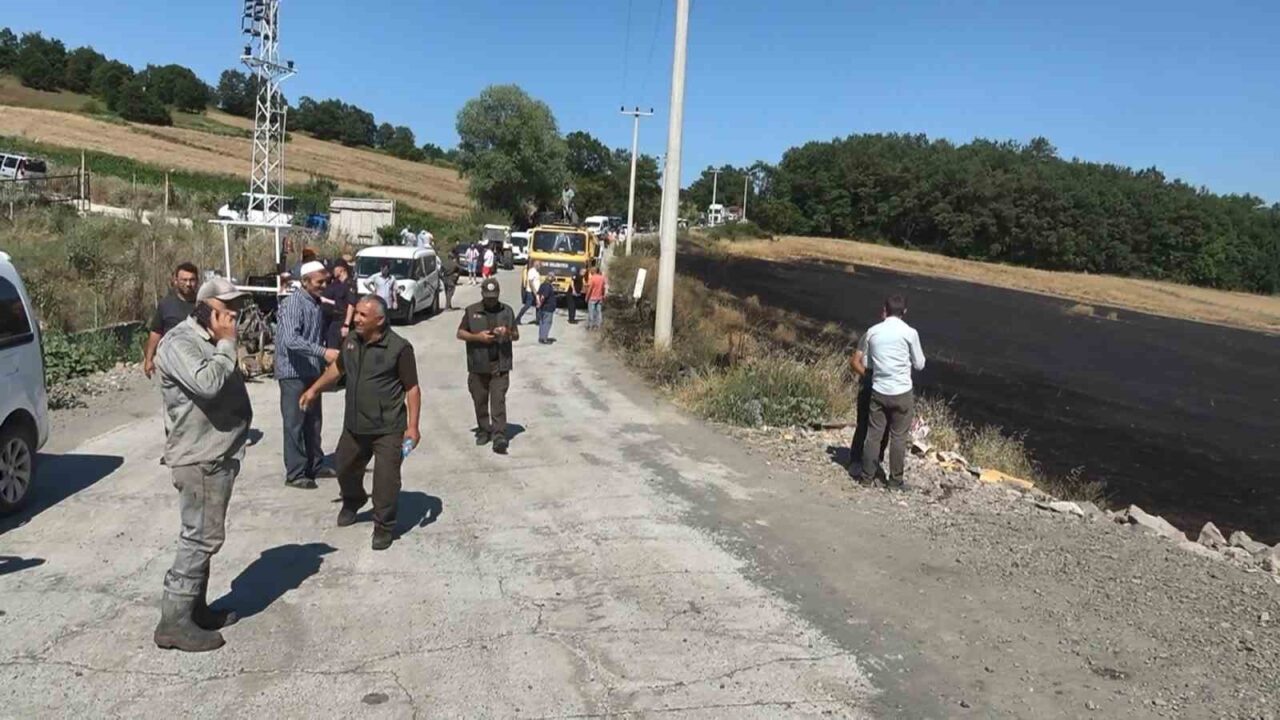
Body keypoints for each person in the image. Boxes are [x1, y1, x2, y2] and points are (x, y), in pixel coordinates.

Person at [152, 277, 253, 652]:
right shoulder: (180, 342)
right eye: (228, 311)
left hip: (216, 452)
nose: (234, 318)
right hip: (199, 457)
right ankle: (174, 621)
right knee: (200, 537)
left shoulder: (208, 340)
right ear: (207, 309)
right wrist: (227, 344)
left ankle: (196, 609)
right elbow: (207, 383)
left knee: (205, 535)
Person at [300, 296, 421, 550]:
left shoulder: (399, 348)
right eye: (357, 314)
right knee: (344, 468)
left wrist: (413, 427)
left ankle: (383, 526)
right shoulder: (352, 341)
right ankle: (353, 500)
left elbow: (412, 389)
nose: (356, 318)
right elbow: (337, 369)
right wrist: (314, 390)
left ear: (380, 319)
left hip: (388, 427)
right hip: (354, 425)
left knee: (385, 482)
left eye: (363, 316)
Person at [276, 261, 340, 490]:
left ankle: (315, 464)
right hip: (293, 373)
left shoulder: (315, 304)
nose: (324, 285)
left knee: (313, 422)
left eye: (325, 281)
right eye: (319, 282)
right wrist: (324, 353)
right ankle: (295, 472)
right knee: (295, 423)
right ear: (305, 282)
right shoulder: (293, 304)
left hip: (312, 371)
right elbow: (290, 340)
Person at [852, 295, 926, 490]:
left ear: (885, 309)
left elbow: (866, 363)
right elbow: (919, 364)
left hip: (878, 389)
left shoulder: (873, 332)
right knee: (898, 437)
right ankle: (895, 481)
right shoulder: (910, 333)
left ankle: (866, 477)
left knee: (873, 435)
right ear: (904, 312)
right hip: (901, 391)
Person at [457, 278, 519, 454]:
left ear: (498, 294)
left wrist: (507, 333)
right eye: (488, 297)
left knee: (498, 400)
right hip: (478, 364)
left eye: (494, 297)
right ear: (482, 294)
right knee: (480, 400)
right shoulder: (471, 311)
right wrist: (478, 337)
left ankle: (499, 435)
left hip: (500, 364)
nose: (491, 300)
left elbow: (516, 335)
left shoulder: (507, 311)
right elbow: (460, 333)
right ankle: (484, 430)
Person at [143, 262, 200, 379]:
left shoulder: (204, 304)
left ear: (197, 281)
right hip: (172, 363)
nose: (188, 284)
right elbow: (156, 332)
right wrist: (149, 360)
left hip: (198, 361)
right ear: (175, 281)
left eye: (192, 280)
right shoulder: (165, 305)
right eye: (184, 280)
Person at [847, 328, 888, 473]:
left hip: (883, 382)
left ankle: (872, 462)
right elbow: (855, 361)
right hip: (872, 380)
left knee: (881, 426)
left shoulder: (899, 336)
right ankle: (857, 460)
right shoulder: (871, 334)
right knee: (864, 423)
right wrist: (868, 376)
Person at [321, 260, 355, 349]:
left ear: (341, 269)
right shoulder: (335, 284)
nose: (333, 271)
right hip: (332, 321)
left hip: (341, 321)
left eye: (334, 269)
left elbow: (350, 305)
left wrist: (346, 325)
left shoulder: (349, 284)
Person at [536, 273, 557, 344]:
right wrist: (540, 303)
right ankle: (544, 339)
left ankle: (541, 337)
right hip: (548, 308)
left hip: (542, 308)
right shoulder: (548, 286)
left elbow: (538, 294)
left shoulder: (542, 285)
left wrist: (538, 304)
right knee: (547, 323)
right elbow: (543, 297)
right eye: (553, 278)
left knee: (542, 322)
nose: (554, 280)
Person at [584, 266, 607, 331]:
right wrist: (603, 295)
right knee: (599, 312)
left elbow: (590, 289)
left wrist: (586, 297)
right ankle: (598, 326)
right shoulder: (602, 278)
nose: (590, 272)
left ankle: (591, 326)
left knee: (591, 312)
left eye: (591, 270)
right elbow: (603, 288)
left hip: (592, 298)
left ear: (593, 271)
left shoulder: (592, 278)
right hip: (599, 298)